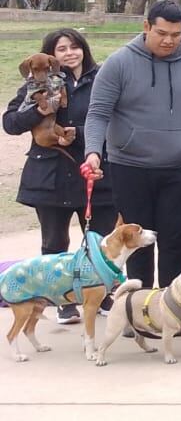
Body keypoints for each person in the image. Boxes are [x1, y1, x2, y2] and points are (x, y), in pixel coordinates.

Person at [82, 1, 181, 291]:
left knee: (176, 240)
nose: (169, 40)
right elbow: (98, 113)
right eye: (161, 33)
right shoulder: (118, 63)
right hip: (130, 167)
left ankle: (170, 307)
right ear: (146, 27)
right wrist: (93, 152)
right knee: (138, 244)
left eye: (176, 34)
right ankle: (138, 307)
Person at [3, 28, 117, 324]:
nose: (69, 53)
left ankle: (103, 294)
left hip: (95, 170)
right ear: (50, 55)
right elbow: (11, 122)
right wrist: (39, 112)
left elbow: (117, 119)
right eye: (61, 48)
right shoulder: (35, 83)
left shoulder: (103, 78)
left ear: (84, 49)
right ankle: (62, 300)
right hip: (49, 174)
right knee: (54, 242)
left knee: (99, 241)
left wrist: (78, 133)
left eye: (74, 47)